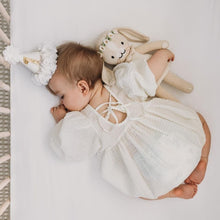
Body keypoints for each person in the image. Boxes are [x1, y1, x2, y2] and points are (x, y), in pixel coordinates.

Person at [48, 42, 211, 200]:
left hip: (143, 164)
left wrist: (63, 120)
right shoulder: (122, 84)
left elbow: (70, 146)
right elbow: (147, 74)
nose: (61, 102)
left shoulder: (86, 122)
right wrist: (162, 56)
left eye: (62, 96)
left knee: (141, 190)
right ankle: (203, 159)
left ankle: (173, 192)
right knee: (197, 121)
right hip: (166, 136)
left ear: (83, 87)